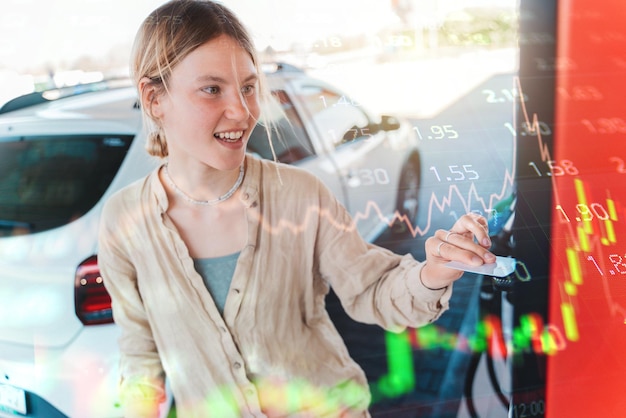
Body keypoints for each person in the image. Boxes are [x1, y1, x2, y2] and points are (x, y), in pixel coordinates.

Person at [97, 1, 496, 417]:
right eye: (212, 89)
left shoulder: (301, 194)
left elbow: (372, 290)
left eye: (249, 87)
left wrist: (434, 272)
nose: (243, 111)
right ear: (154, 98)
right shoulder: (124, 221)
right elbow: (141, 363)